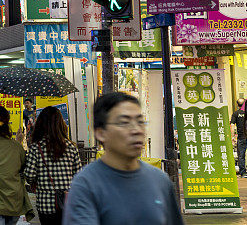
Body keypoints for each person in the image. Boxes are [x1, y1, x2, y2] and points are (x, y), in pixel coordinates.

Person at [63, 92, 183, 225]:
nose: (136, 130)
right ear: (101, 133)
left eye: (140, 122)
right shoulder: (86, 185)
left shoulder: (160, 180)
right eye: (124, 122)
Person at [23, 106, 81, 225]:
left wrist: (38, 180)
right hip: (68, 203)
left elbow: (29, 175)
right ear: (61, 124)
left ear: (41, 124)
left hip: (46, 204)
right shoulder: (71, 147)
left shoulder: (36, 147)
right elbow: (79, 176)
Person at [231, 98, 247, 177]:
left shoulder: (235, 114)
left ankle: (243, 173)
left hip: (241, 137)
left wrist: (232, 137)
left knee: (241, 155)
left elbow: (232, 125)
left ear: (237, 105)